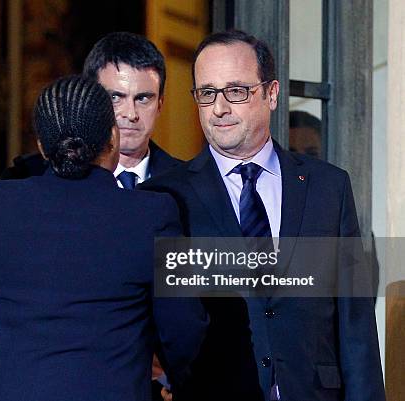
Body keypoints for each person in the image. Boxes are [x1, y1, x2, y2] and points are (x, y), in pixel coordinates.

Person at [139, 30, 385, 401]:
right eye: (207, 93)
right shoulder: (166, 197)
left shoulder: (327, 188)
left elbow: (356, 327)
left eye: (236, 91)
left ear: (271, 94)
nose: (219, 108)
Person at [0, 76, 208, 401]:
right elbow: (186, 327)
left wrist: (6, 368)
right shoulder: (153, 213)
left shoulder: (2, 203)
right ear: (112, 137)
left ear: (41, 147)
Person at [1, 32, 180, 188]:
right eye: (115, 97)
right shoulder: (27, 176)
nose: (131, 114)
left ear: (160, 104)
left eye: (142, 99)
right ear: (90, 100)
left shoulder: (184, 184)